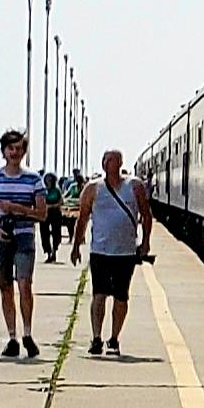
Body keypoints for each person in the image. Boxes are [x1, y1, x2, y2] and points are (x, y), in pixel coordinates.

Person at [71, 148, 153, 356]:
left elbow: (146, 214)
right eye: (108, 160)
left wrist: (145, 243)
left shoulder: (134, 187)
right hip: (100, 251)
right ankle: (96, 337)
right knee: (99, 294)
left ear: (121, 163)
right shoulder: (92, 188)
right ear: (103, 164)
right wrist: (76, 246)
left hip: (125, 252)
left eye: (115, 161)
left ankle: (114, 337)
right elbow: (82, 218)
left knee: (121, 296)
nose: (111, 164)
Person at [0, 130, 48, 357]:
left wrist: (16, 209)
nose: (15, 153)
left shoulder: (33, 180)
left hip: (24, 235)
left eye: (19, 148)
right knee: (5, 287)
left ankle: (27, 333)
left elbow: (42, 214)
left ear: (24, 151)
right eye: (11, 148)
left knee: (24, 284)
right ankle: (12, 336)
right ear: (4, 151)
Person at [39, 170, 63, 261]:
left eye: (50, 179)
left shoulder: (56, 190)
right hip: (45, 213)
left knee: (56, 232)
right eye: (47, 179)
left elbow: (61, 201)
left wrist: (52, 206)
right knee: (44, 233)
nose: (48, 181)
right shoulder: (42, 190)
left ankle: (54, 251)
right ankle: (48, 252)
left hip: (55, 212)